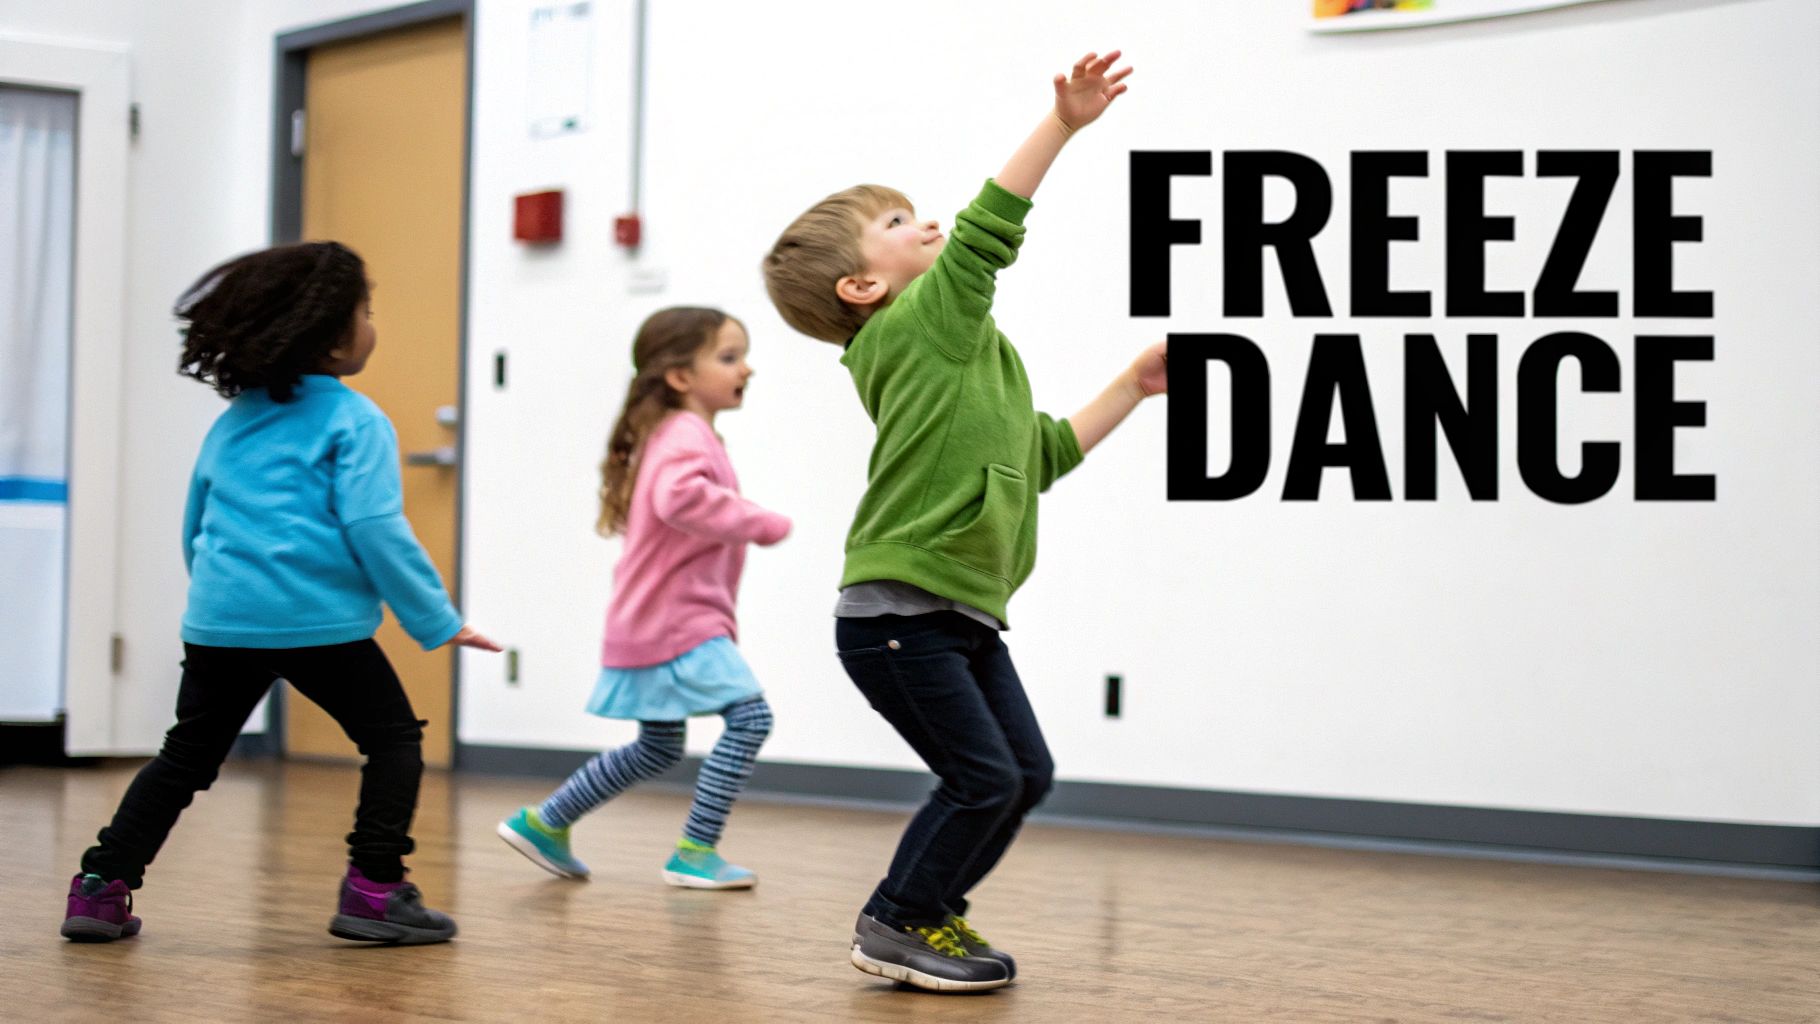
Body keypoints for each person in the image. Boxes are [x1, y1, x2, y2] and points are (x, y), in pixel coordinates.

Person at [762, 51, 1166, 991]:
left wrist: (1134, 388)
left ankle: (928, 916)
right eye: (897, 224)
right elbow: (991, 228)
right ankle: (897, 921)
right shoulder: (914, 328)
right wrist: (1062, 123)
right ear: (864, 289)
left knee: (1023, 775)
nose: (931, 223)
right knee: (983, 778)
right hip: (899, 617)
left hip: (957, 616)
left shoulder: (969, 353)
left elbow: (1045, 455)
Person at [62, 241, 500, 946]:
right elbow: (374, 529)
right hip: (314, 622)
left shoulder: (236, 420)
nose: (372, 324)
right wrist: (437, 619)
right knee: (392, 741)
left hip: (219, 619)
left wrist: (222, 604)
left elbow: (196, 522)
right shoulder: (355, 420)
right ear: (332, 337)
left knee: (185, 758)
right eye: (367, 311)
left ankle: (99, 888)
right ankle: (375, 890)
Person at [497, 307, 789, 890]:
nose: (747, 368)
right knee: (750, 717)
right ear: (680, 376)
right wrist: (758, 521)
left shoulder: (682, 431)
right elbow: (678, 499)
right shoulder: (684, 432)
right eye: (730, 357)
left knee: (657, 745)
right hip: (675, 620)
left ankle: (546, 822)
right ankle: (695, 852)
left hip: (653, 620)